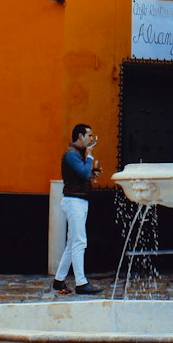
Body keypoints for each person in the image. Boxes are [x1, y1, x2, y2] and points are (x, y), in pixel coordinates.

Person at [52, 123, 101, 296]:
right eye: (89, 136)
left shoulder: (76, 154)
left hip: (78, 200)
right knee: (80, 241)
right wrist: (89, 158)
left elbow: (84, 175)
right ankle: (81, 283)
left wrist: (92, 170)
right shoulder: (73, 154)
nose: (91, 139)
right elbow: (84, 174)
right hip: (75, 201)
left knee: (72, 243)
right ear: (80, 136)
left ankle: (59, 280)